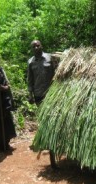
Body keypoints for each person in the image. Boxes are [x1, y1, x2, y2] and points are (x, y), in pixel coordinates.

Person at [27, 40, 58, 169]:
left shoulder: (50, 58)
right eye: (33, 46)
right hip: (38, 94)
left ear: (42, 46)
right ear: (32, 49)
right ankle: (46, 141)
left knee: (52, 118)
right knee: (43, 119)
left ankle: (54, 142)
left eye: (38, 45)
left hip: (51, 93)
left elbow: (57, 73)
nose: (36, 47)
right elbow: (30, 79)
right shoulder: (31, 62)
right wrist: (30, 94)